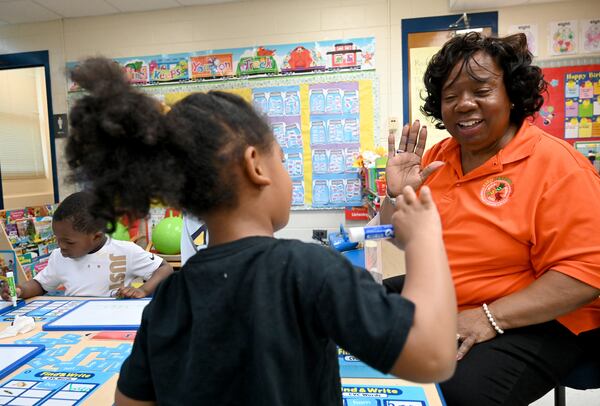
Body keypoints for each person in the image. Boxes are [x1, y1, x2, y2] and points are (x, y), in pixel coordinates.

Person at [64, 57, 457, 405]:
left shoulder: (170, 297)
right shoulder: (309, 269)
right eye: (283, 160)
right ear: (256, 166)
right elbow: (433, 356)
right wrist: (424, 239)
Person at [379, 32, 600, 405]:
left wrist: (488, 318)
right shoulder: (438, 156)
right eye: (451, 96)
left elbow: (586, 274)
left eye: (481, 91)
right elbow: (400, 238)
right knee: (346, 296)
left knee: (455, 392)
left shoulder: (558, 165)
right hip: (452, 294)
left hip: (540, 315)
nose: (464, 105)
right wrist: (396, 195)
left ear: (512, 95)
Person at [0, 192, 174, 301]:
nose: (61, 246)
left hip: (114, 320)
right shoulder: (59, 257)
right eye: (58, 239)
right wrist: (21, 290)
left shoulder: (125, 250)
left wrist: (143, 290)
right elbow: (41, 285)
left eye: (68, 242)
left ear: (96, 236)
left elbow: (165, 269)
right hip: (74, 320)